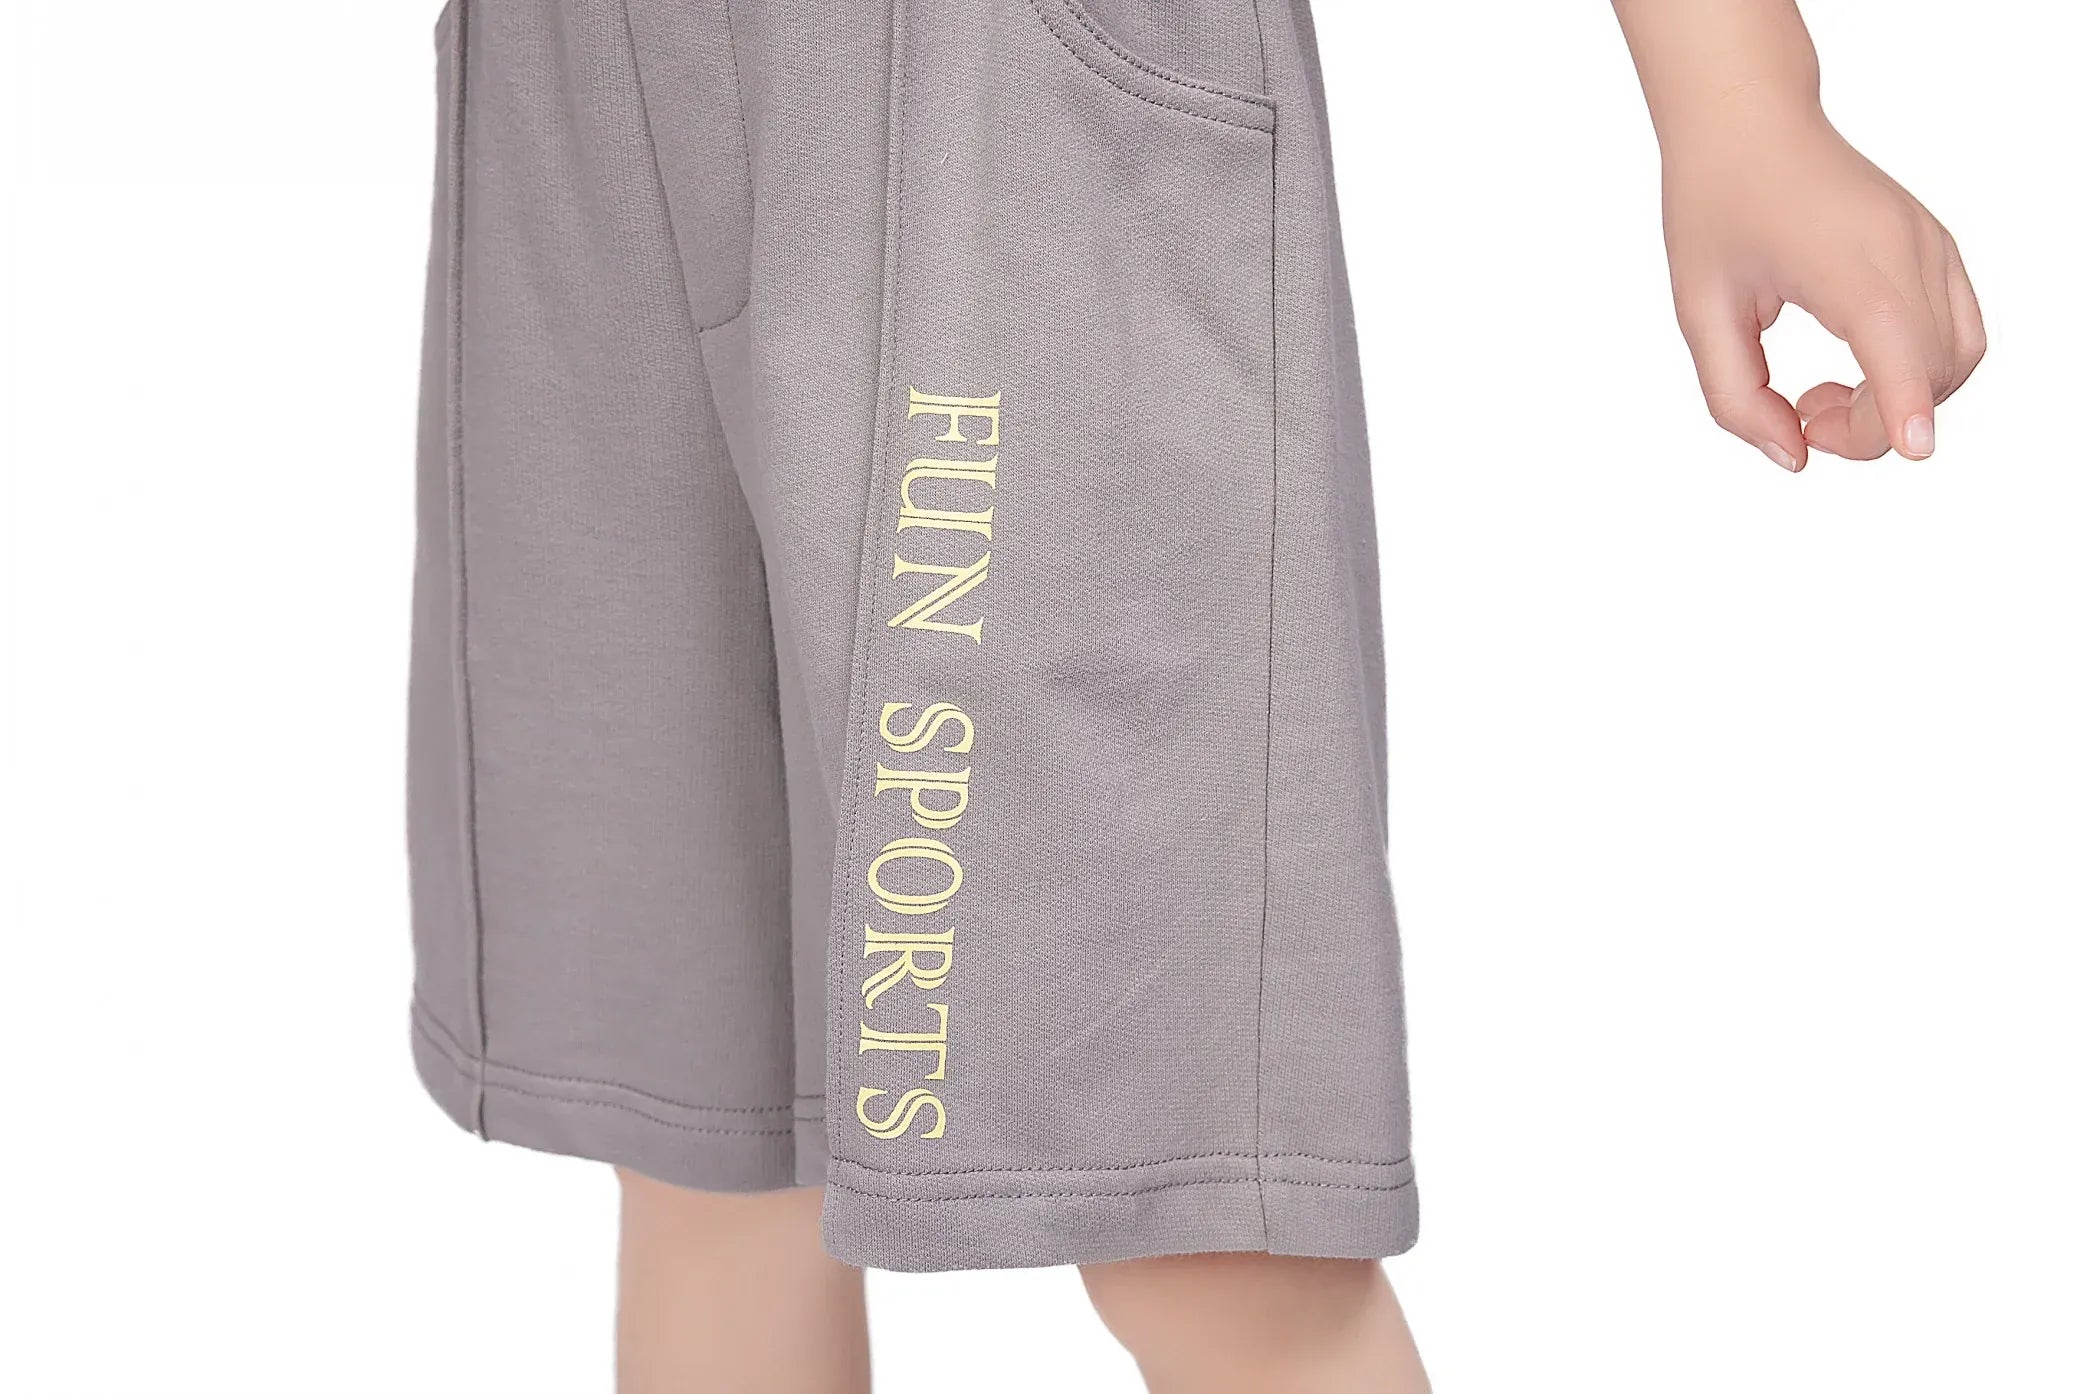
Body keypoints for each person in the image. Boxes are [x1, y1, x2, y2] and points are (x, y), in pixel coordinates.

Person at [403, 0, 1983, 1388]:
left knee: (1199, 1215)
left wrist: (1737, 88)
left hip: (1000, 92)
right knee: (703, 1125)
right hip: (564, 80)